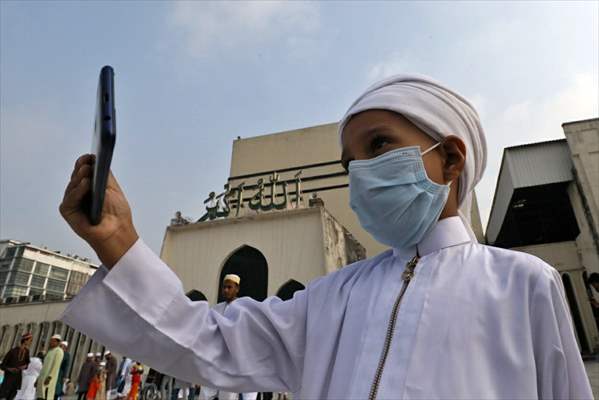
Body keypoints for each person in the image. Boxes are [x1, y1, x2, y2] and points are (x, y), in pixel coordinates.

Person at [59, 74, 592, 399]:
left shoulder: (522, 284)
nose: (360, 172)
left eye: (379, 145)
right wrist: (117, 241)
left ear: (450, 157)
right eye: (350, 162)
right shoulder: (333, 295)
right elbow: (206, 342)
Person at [199, 275, 257, 400]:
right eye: (224, 287)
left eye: (229, 287)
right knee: (205, 393)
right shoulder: (216, 309)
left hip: (233, 360)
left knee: (228, 396)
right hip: (215, 359)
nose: (226, 290)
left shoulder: (244, 308)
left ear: (237, 289)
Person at [0, 332, 32, 400]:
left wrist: (24, 366)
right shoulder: (12, 351)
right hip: (8, 380)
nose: (31, 342)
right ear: (25, 340)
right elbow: (2, 366)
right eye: (30, 340)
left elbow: (27, 364)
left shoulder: (27, 352)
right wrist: (10, 369)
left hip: (17, 380)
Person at [36, 335, 64, 400]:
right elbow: (44, 366)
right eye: (50, 341)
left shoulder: (59, 351)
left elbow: (56, 366)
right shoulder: (50, 351)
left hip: (48, 380)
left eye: (52, 341)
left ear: (57, 342)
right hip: (42, 378)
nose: (50, 342)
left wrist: (49, 377)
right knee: (40, 397)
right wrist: (38, 379)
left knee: (46, 396)